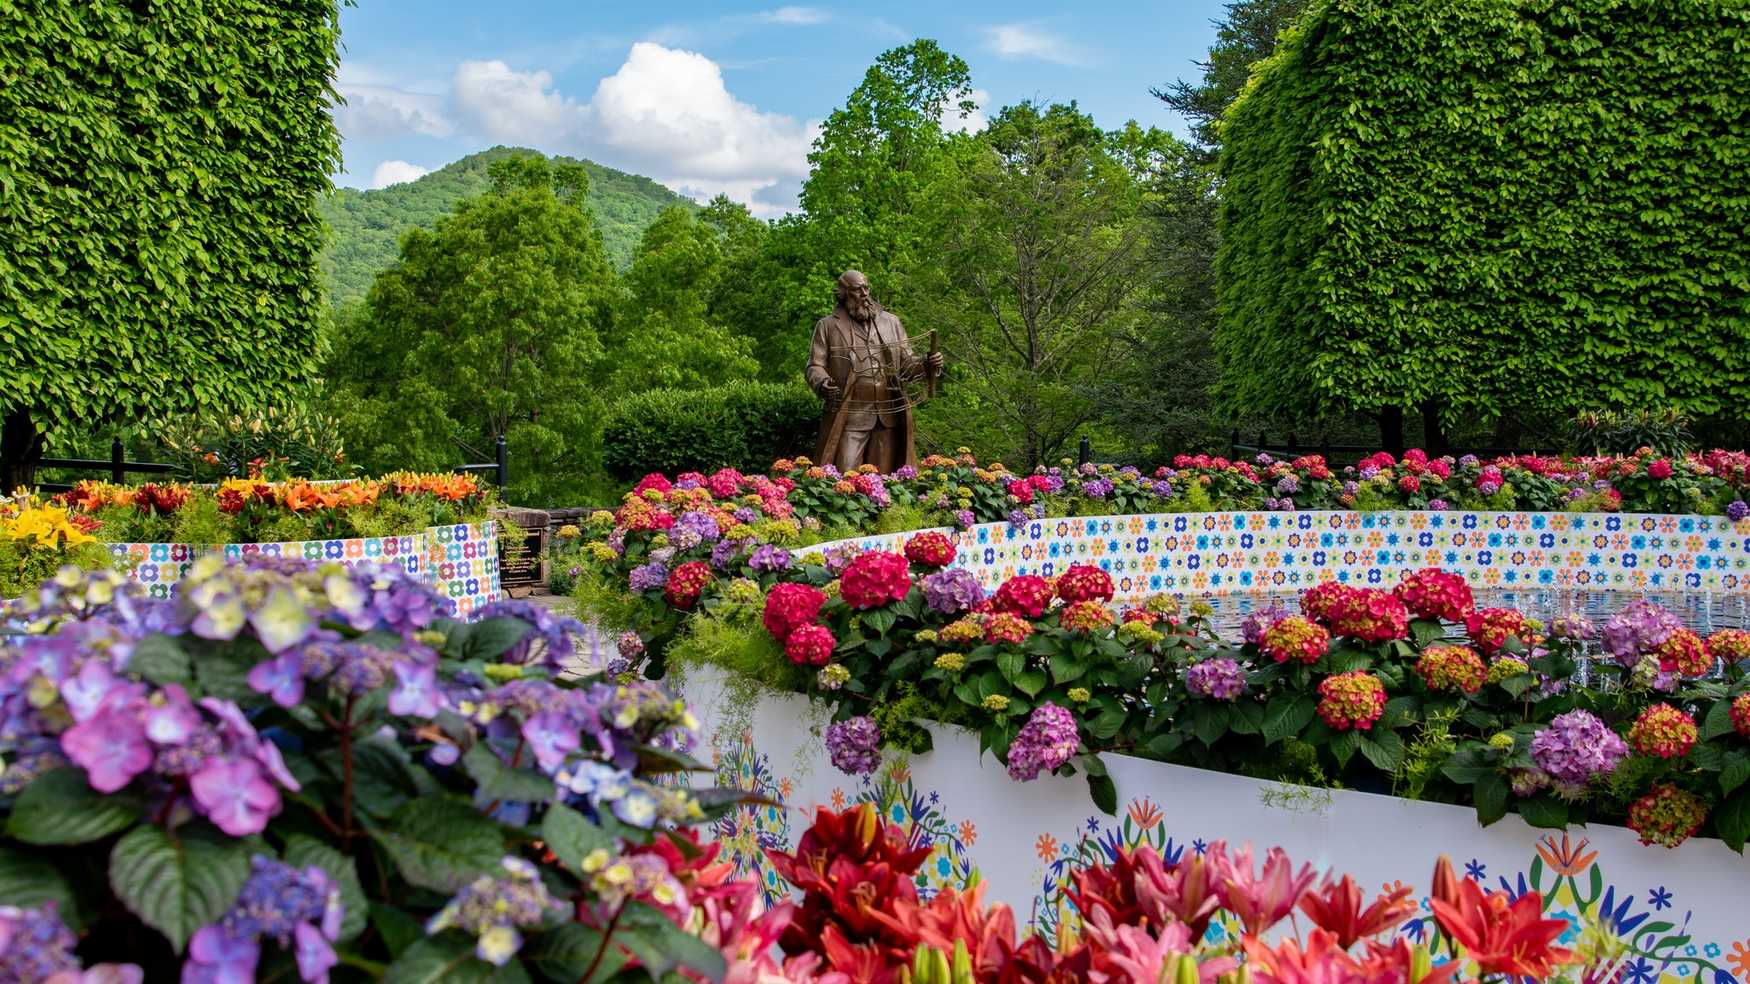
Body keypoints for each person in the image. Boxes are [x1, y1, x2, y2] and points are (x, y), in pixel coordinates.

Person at [804, 270, 943, 473]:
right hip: (851, 414)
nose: (864, 293)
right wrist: (822, 382)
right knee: (844, 475)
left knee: (884, 479)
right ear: (843, 294)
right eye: (857, 289)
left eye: (866, 287)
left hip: (887, 416)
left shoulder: (891, 322)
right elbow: (814, 366)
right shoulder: (827, 326)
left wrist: (926, 364)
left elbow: (906, 365)